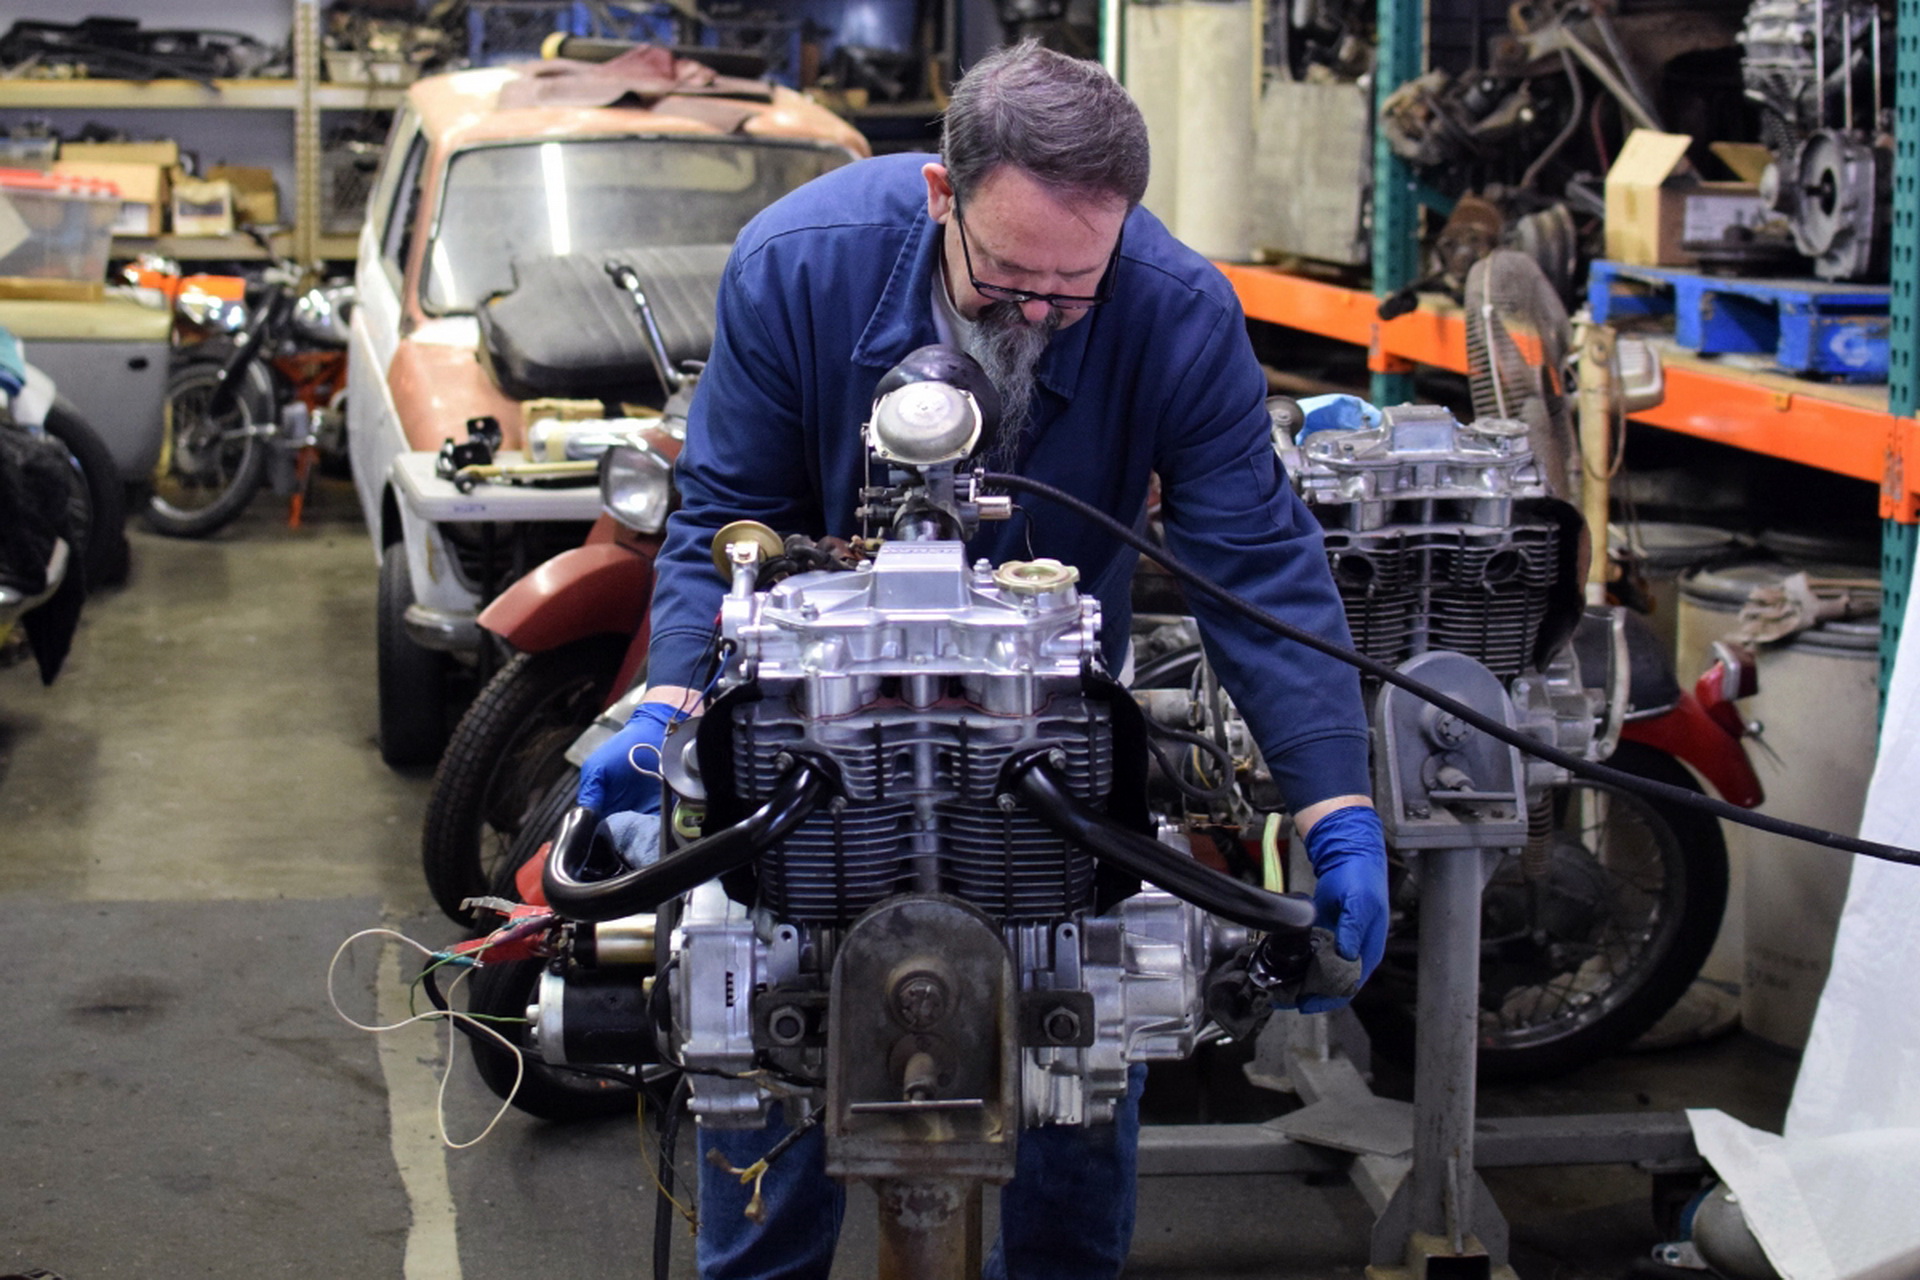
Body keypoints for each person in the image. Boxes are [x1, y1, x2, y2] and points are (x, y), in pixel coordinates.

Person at [576, 38, 1389, 1280]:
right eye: (1010, 275)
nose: (1040, 311)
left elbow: (1259, 565)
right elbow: (722, 519)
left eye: (1075, 286)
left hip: (1047, 754)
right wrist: (668, 706)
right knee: (764, 1051)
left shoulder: (1175, 309)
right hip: (808, 746)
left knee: (1077, 1061)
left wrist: (1336, 806)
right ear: (940, 195)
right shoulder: (798, 266)